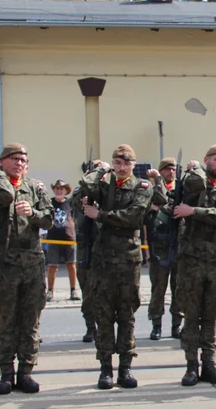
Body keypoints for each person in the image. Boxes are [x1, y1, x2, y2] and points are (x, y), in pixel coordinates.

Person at [80, 145, 155, 389]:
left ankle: (125, 368)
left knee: (126, 315)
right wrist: (98, 170)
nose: (121, 168)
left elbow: (134, 217)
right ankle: (105, 369)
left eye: (126, 163)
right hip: (102, 261)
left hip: (127, 260)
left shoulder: (142, 187)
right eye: (116, 163)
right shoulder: (103, 184)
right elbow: (81, 193)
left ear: (133, 165)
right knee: (103, 316)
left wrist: (100, 215)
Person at [0, 142, 53, 395]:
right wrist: (0, 177)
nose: (19, 163)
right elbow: (5, 197)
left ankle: (26, 371)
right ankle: (5, 373)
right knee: (5, 319)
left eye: (23, 160)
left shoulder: (35, 188)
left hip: (32, 260)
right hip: (6, 261)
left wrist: (33, 213)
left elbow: (49, 219)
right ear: (2, 162)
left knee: (30, 319)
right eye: (13, 159)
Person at [171, 144, 216, 387]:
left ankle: (209, 365)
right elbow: (195, 183)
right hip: (192, 259)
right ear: (206, 160)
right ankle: (191, 367)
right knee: (191, 315)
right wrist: (197, 168)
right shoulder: (194, 181)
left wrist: (194, 211)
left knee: (211, 316)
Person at [144, 156, 181, 340]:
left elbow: (170, 207)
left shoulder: (180, 189)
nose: (171, 171)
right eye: (167, 169)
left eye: (173, 168)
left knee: (179, 288)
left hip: (177, 245)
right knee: (158, 288)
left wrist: (160, 207)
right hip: (159, 246)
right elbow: (154, 204)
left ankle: (176, 325)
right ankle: (156, 324)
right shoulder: (151, 189)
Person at [71, 163, 99, 343]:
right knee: (87, 293)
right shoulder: (80, 190)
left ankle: (104, 327)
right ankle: (90, 327)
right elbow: (73, 203)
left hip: (104, 251)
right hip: (85, 251)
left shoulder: (109, 190)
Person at [45, 179, 79, 302]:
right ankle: (50, 291)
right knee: (52, 265)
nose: (59, 191)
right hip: (53, 238)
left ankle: (73, 290)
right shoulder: (49, 203)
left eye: (62, 188)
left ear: (66, 191)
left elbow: (76, 216)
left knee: (71, 264)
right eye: (57, 188)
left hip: (69, 238)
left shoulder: (70, 203)